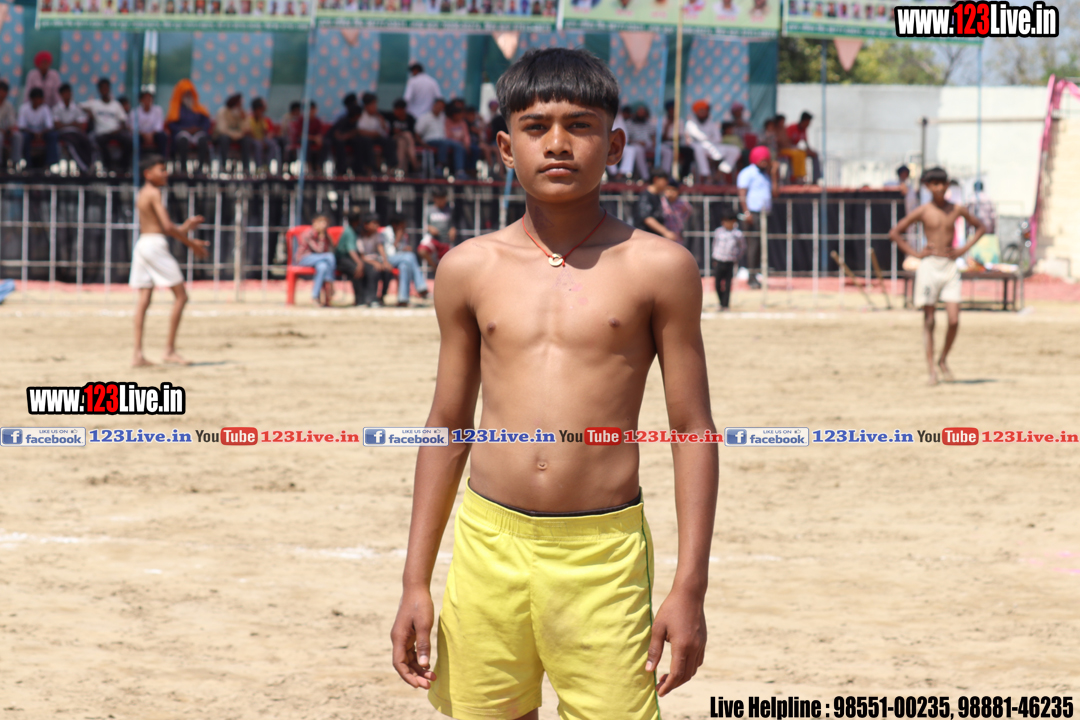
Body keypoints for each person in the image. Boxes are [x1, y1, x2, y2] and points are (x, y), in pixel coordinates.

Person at [390, 47, 717, 719]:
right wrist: (414, 580)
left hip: (602, 554)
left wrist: (690, 587)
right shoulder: (468, 268)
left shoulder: (659, 267)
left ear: (615, 145)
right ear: (505, 148)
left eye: (581, 125)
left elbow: (692, 429)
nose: (559, 143)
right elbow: (447, 424)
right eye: (536, 127)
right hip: (487, 544)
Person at [888, 167, 986, 386]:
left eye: (942, 184)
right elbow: (895, 232)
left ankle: (943, 359)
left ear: (947, 185)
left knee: (954, 319)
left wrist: (962, 250)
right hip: (929, 267)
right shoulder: (923, 211)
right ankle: (931, 369)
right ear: (927, 187)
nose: (939, 188)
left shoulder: (956, 209)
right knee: (930, 319)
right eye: (935, 184)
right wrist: (916, 253)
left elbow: (981, 227)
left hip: (950, 266)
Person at [131, 153, 209, 366]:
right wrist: (191, 244)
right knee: (181, 296)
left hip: (143, 244)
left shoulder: (142, 193)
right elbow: (166, 227)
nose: (166, 174)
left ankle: (137, 354)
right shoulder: (154, 193)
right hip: (155, 246)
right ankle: (169, 350)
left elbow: (160, 227)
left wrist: (184, 228)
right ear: (148, 173)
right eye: (162, 170)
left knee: (144, 299)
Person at [736, 145, 778, 290]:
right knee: (753, 247)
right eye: (762, 159)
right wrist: (746, 212)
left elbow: (775, 193)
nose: (765, 162)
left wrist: (774, 175)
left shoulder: (767, 174)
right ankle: (751, 277)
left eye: (767, 159)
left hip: (765, 214)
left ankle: (757, 275)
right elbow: (742, 193)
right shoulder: (747, 173)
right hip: (752, 214)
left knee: (761, 246)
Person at [82, 77, 131, 173]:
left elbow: (123, 121)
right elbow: (78, 105)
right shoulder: (94, 104)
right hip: (102, 133)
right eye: (102, 88)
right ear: (99, 90)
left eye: (106, 87)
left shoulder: (116, 104)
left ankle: (123, 167)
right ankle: (108, 167)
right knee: (99, 141)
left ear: (109, 89)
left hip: (115, 131)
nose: (105, 90)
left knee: (129, 141)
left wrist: (119, 129)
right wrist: (89, 112)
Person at [684, 99, 739, 183]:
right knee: (699, 148)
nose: (703, 113)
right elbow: (700, 137)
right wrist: (709, 139)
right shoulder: (691, 123)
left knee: (735, 150)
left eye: (705, 111)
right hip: (699, 147)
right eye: (701, 111)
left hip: (713, 147)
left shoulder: (711, 123)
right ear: (696, 112)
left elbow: (718, 138)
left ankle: (720, 173)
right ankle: (706, 175)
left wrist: (710, 141)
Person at [165, 79, 212, 173]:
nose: (188, 96)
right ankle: (183, 168)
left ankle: (200, 168)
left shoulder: (199, 108)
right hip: (182, 132)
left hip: (197, 132)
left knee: (203, 140)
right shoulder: (176, 109)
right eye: (185, 94)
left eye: (189, 93)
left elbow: (206, 123)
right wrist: (185, 129)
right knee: (183, 140)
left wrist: (198, 129)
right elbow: (172, 125)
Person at [383, 212, 429, 305]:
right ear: (395, 224)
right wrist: (398, 239)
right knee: (410, 256)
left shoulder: (403, 234)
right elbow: (389, 252)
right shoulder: (386, 232)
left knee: (404, 266)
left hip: (400, 259)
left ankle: (403, 299)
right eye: (402, 224)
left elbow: (399, 250)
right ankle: (421, 287)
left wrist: (404, 249)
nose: (405, 226)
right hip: (386, 259)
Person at [294, 214, 337, 306]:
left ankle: (314, 297)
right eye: (321, 222)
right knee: (329, 257)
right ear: (315, 223)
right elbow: (319, 250)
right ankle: (331, 285)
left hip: (318, 260)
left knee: (323, 267)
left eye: (325, 223)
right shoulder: (308, 233)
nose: (323, 225)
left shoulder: (325, 235)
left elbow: (329, 249)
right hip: (304, 258)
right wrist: (322, 238)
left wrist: (326, 238)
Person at [52, 83, 93, 174]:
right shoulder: (56, 108)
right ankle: (84, 167)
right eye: (65, 93)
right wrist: (72, 123)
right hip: (64, 133)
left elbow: (81, 125)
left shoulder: (76, 107)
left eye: (69, 92)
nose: (68, 94)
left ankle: (89, 164)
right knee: (73, 144)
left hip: (76, 132)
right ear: (61, 94)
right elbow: (57, 125)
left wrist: (64, 124)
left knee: (86, 141)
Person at [417, 98, 464, 178]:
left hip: (443, 140)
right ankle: (439, 167)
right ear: (434, 105)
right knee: (444, 143)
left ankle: (459, 171)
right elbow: (417, 133)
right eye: (438, 105)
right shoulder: (425, 117)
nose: (440, 108)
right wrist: (423, 144)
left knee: (459, 146)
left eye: (442, 107)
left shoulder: (443, 117)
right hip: (429, 140)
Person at [17, 87, 59, 172]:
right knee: (24, 137)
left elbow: (50, 126)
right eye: (37, 98)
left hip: (42, 133)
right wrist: (34, 133)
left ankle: (49, 163)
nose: (39, 101)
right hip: (29, 133)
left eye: (41, 98)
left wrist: (40, 133)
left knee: (53, 135)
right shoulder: (24, 108)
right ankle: (28, 163)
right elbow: (22, 127)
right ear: (32, 99)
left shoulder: (45, 108)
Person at [711, 206, 744, 310]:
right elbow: (714, 245)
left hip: (730, 261)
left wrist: (737, 257)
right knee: (717, 283)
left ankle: (725, 305)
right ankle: (721, 302)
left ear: (734, 221)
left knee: (728, 284)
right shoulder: (718, 232)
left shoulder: (738, 234)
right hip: (719, 260)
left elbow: (742, 247)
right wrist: (714, 258)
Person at [335, 208, 370, 305]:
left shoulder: (355, 231)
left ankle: (364, 299)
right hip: (341, 259)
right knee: (357, 270)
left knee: (365, 269)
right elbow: (351, 250)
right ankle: (360, 300)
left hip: (349, 259)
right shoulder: (349, 232)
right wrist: (359, 263)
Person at [634, 169, 678, 242]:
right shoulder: (645, 196)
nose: (667, 183)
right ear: (656, 179)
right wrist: (666, 232)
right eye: (665, 180)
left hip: (655, 239)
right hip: (645, 240)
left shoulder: (658, 196)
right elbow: (647, 218)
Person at [418, 186, 456, 267]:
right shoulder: (428, 209)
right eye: (439, 198)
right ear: (434, 198)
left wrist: (453, 230)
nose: (441, 200)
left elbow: (453, 225)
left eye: (443, 197)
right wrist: (430, 228)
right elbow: (425, 224)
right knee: (422, 250)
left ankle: (439, 270)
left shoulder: (450, 209)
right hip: (433, 239)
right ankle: (434, 267)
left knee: (447, 263)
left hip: (446, 241)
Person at [357, 92, 394, 174]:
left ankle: (389, 168)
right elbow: (360, 131)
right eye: (373, 104)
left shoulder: (378, 115)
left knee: (389, 142)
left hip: (377, 137)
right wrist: (373, 134)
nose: (375, 106)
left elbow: (385, 129)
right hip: (366, 138)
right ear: (366, 106)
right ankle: (370, 168)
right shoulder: (361, 115)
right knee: (366, 142)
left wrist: (382, 120)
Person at [214, 93, 251, 173]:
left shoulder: (241, 113)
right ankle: (223, 166)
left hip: (237, 136)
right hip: (223, 136)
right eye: (238, 104)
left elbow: (246, 129)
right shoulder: (222, 111)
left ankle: (246, 168)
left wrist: (243, 118)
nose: (240, 106)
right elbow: (222, 129)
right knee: (224, 139)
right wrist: (237, 135)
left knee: (246, 140)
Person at [780, 111, 818, 183]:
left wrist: (810, 151)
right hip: (786, 149)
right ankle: (796, 177)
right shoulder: (792, 127)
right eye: (808, 122)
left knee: (812, 154)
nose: (809, 124)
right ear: (804, 121)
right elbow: (786, 142)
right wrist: (795, 148)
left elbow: (806, 143)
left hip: (795, 150)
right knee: (799, 153)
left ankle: (815, 178)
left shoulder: (804, 130)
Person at [244, 97, 280, 174]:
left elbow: (267, 131)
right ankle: (258, 167)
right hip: (253, 140)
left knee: (272, 144)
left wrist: (265, 138)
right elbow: (249, 132)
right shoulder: (249, 118)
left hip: (262, 139)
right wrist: (259, 140)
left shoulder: (264, 119)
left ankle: (267, 166)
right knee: (258, 145)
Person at [131, 89, 169, 158]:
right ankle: (139, 160)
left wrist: (151, 134)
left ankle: (162, 159)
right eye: (145, 98)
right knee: (136, 138)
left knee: (163, 136)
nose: (148, 100)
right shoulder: (135, 112)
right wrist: (144, 134)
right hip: (141, 134)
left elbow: (159, 125)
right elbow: (133, 127)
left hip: (154, 134)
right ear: (141, 100)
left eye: (150, 98)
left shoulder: (158, 110)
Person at [330, 103, 365, 176]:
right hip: (337, 141)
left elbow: (356, 133)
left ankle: (358, 170)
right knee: (340, 144)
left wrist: (350, 135)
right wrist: (346, 136)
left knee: (359, 142)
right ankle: (341, 170)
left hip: (348, 140)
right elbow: (337, 135)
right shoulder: (343, 121)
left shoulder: (357, 122)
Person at [387, 98, 419, 175]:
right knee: (407, 134)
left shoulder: (410, 119)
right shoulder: (391, 117)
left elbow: (414, 134)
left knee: (402, 142)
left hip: (405, 142)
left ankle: (401, 169)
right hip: (394, 139)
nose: (396, 111)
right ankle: (413, 159)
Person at [661, 181, 692, 246]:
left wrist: (683, 219)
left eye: (673, 190)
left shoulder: (681, 203)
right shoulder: (661, 202)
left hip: (677, 233)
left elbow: (689, 210)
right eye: (668, 189)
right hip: (664, 233)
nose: (671, 192)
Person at [0, 80, 18, 173]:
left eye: (4, 91)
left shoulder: (9, 106)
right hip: (1, 132)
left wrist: (10, 130)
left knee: (18, 136)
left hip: (5, 131)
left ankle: (15, 163)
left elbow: (12, 122)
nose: (2, 94)